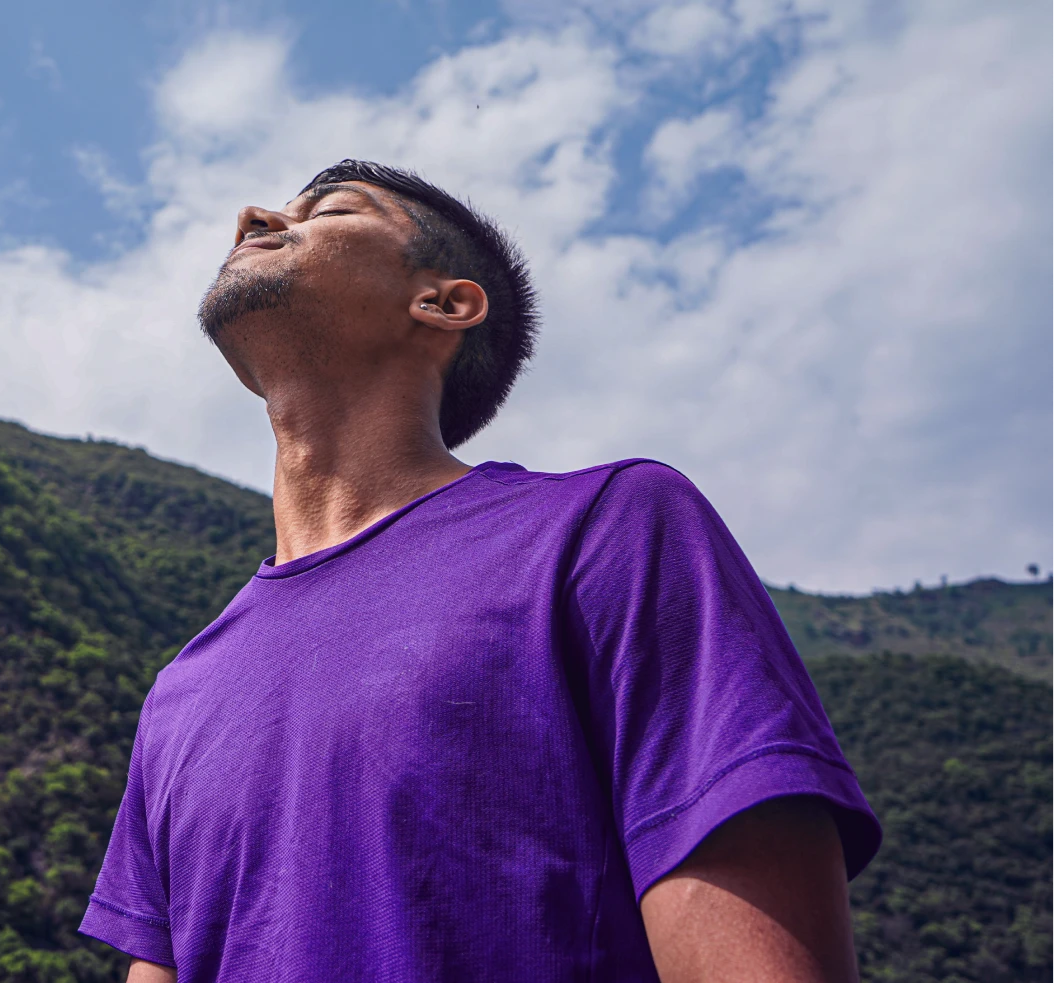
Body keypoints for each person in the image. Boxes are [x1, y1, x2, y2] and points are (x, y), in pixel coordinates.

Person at [79, 159, 882, 982]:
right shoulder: (182, 689)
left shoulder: (613, 530)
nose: (254, 216)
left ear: (444, 301)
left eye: (331, 209)